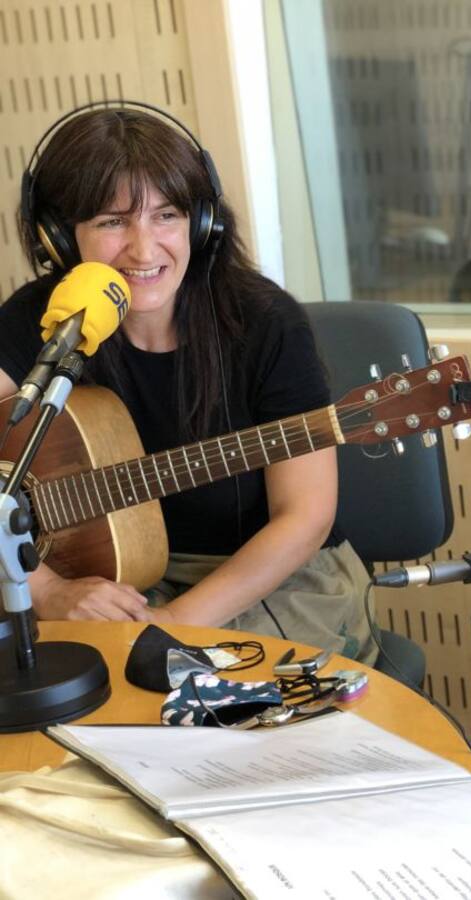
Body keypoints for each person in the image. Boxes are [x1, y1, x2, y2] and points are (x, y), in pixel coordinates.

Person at [0, 104, 377, 664]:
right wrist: (49, 590)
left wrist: (172, 623)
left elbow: (305, 516)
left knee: (182, 696)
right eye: (111, 222)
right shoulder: (48, 317)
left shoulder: (265, 322)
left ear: (201, 224)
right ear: (59, 237)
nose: (144, 248)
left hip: (263, 577)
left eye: (166, 216)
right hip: (102, 577)